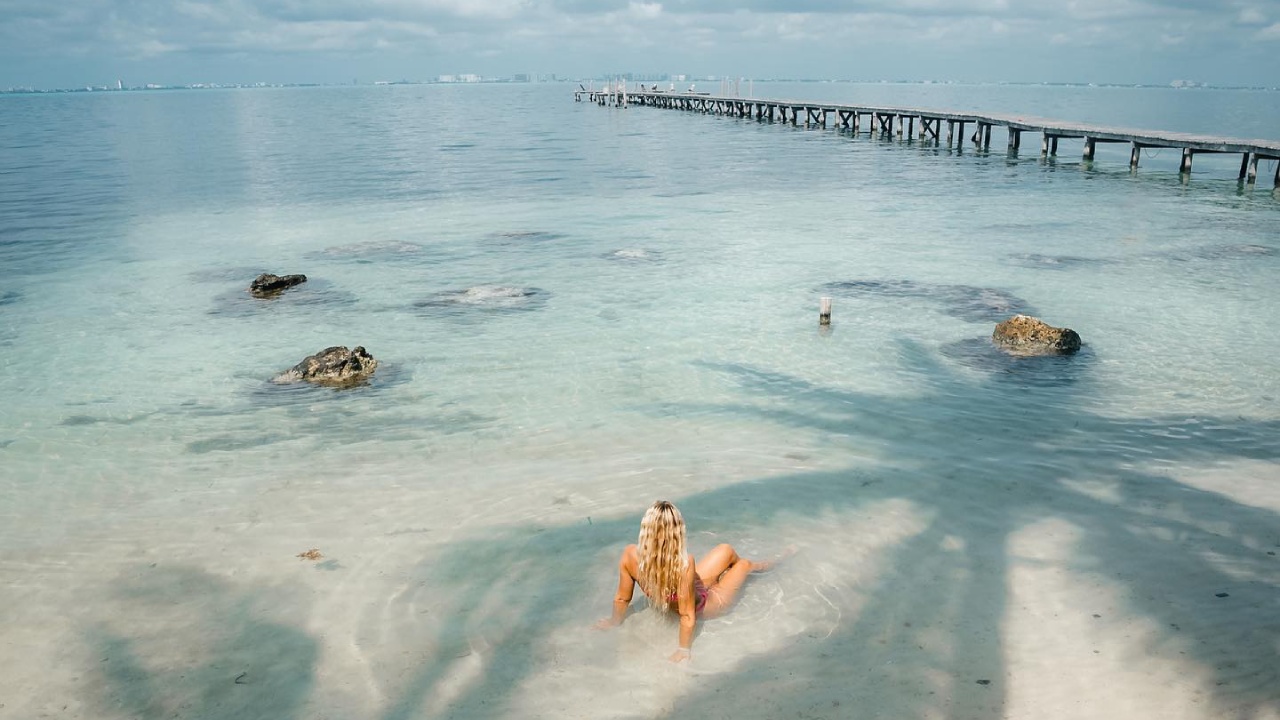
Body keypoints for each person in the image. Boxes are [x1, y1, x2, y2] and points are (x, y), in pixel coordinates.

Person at [595, 500, 771, 663]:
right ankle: (769, 564)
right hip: (707, 606)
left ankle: (730, 578)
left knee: (726, 550)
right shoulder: (683, 564)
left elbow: (621, 599)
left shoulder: (629, 554)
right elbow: (687, 615)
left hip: (694, 591)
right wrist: (683, 650)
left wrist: (614, 621)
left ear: (645, 530)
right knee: (744, 565)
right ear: (677, 533)